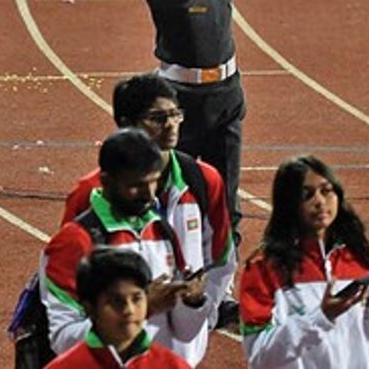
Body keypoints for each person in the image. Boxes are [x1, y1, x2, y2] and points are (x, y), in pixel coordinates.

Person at [60, 74, 237, 331]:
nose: (171, 125)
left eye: (176, 114)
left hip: (180, 342)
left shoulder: (203, 180)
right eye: (157, 118)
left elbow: (221, 257)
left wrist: (203, 315)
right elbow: (70, 272)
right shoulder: (91, 191)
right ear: (126, 124)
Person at [40, 129, 210, 364]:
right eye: (136, 185)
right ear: (106, 181)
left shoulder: (162, 230)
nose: (149, 195)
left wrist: (192, 302)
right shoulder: (74, 242)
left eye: (154, 182)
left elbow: (183, 332)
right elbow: (62, 338)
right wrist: (144, 307)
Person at [140, 0, 245, 235]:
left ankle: (222, 283)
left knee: (226, 200)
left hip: (225, 96)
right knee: (175, 195)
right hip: (180, 99)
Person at [240, 156, 369, 368]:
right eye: (307, 195)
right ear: (289, 204)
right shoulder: (264, 269)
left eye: (326, 191)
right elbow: (261, 358)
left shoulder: (360, 259)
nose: (320, 201)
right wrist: (321, 318)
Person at [46, 249, 192, 368]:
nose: (129, 310)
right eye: (116, 301)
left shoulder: (173, 366)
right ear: (89, 308)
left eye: (137, 299)